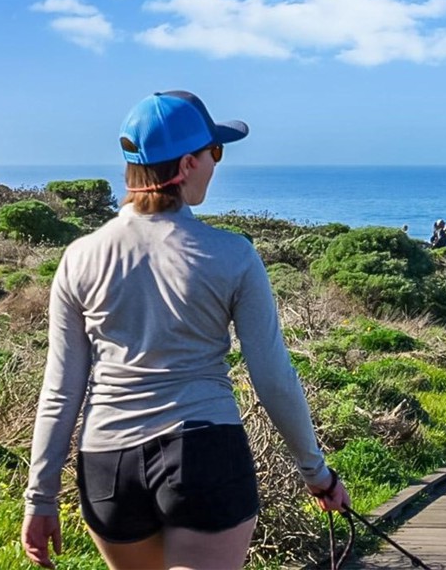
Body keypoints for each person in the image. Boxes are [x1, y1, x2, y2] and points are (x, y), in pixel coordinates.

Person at [21, 90, 350, 570]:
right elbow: (272, 376)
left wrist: (41, 497)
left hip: (107, 465)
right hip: (203, 453)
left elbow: (61, 388)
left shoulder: (80, 257)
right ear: (188, 163)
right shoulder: (232, 255)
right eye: (214, 152)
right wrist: (316, 473)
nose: (217, 164)